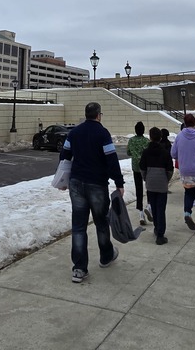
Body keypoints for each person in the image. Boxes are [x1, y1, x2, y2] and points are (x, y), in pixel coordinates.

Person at [59, 102, 125, 283]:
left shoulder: (74, 133)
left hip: (76, 183)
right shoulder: (102, 133)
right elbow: (111, 159)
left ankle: (79, 268)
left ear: (86, 114)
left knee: (79, 226)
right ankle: (106, 256)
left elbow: (64, 155)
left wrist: (64, 180)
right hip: (97, 184)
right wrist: (119, 182)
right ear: (98, 115)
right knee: (101, 222)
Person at [139, 127, 173, 244]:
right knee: (161, 209)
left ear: (150, 137)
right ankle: (160, 234)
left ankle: (156, 228)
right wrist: (166, 180)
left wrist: (146, 178)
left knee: (153, 207)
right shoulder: (165, 152)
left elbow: (142, 168)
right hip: (162, 183)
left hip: (150, 183)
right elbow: (170, 169)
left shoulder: (146, 152)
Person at [127, 122, 151, 225]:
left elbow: (128, 152)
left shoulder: (131, 140)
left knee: (139, 189)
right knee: (149, 187)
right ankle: (149, 206)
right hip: (145, 167)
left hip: (135, 168)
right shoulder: (146, 141)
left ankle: (140, 212)